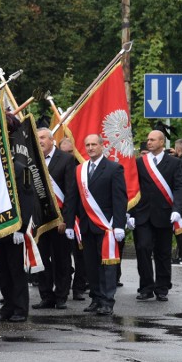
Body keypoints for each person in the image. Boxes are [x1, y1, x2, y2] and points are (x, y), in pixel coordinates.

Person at [65, 134, 127, 316]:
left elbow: (119, 199)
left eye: (94, 144)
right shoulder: (80, 170)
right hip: (86, 225)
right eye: (87, 144)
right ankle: (96, 298)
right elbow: (72, 198)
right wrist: (69, 223)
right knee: (90, 264)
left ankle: (107, 301)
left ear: (102, 146)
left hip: (106, 226)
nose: (91, 148)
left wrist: (119, 225)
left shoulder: (114, 168)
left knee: (107, 265)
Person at [132, 130, 182, 301]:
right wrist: (130, 213)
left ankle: (162, 287)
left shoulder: (174, 163)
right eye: (148, 139)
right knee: (142, 249)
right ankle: (146, 287)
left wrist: (177, 209)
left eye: (153, 140)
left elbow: (179, 187)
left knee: (163, 253)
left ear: (162, 142)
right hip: (142, 215)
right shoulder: (140, 163)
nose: (149, 142)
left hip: (164, 214)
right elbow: (133, 189)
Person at [0, 114, 34, 322]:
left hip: (14, 227)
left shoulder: (19, 167)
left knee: (16, 271)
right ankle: (7, 306)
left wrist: (21, 227)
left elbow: (27, 199)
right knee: (2, 270)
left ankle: (19, 309)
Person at [34, 127, 76, 309]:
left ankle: (61, 295)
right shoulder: (32, 160)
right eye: (37, 138)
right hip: (39, 220)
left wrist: (66, 220)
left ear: (52, 140)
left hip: (59, 220)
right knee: (41, 259)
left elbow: (71, 193)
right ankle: (46, 295)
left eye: (43, 137)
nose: (40, 141)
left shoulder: (66, 159)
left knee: (61, 260)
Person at [59, 137, 88, 300]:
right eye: (65, 152)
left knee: (81, 255)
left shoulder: (83, 168)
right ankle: (63, 286)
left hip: (80, 216)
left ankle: (79, 288)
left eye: (71, 152)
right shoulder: (57, 166)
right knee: (62, 255)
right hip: (62, 216)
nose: (69, 156)